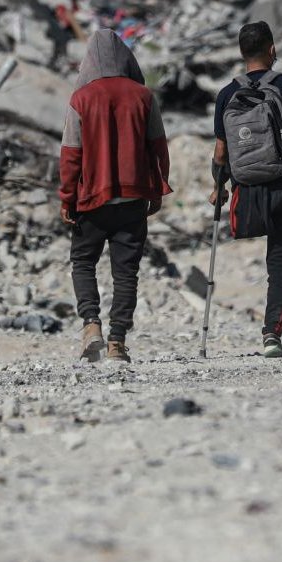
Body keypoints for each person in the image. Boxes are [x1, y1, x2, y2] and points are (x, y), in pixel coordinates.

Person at [58, 29, 170, 363]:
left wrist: (67, 198)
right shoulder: (143, 96)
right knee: (126, 273)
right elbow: (158, 147)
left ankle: (91, 325)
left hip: (91, 198)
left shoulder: (81, 99)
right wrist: (158, 187)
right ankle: (117, 343)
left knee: (82, 262)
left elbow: (70, 154)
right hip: (133, 198)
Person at [209, 21, 282, 360]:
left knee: (269, 255)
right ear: (272, 49)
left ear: (242, 54)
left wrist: (219, 187)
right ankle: (272, 333)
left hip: (247, 196)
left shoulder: (227, 94)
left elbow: (221, 153)